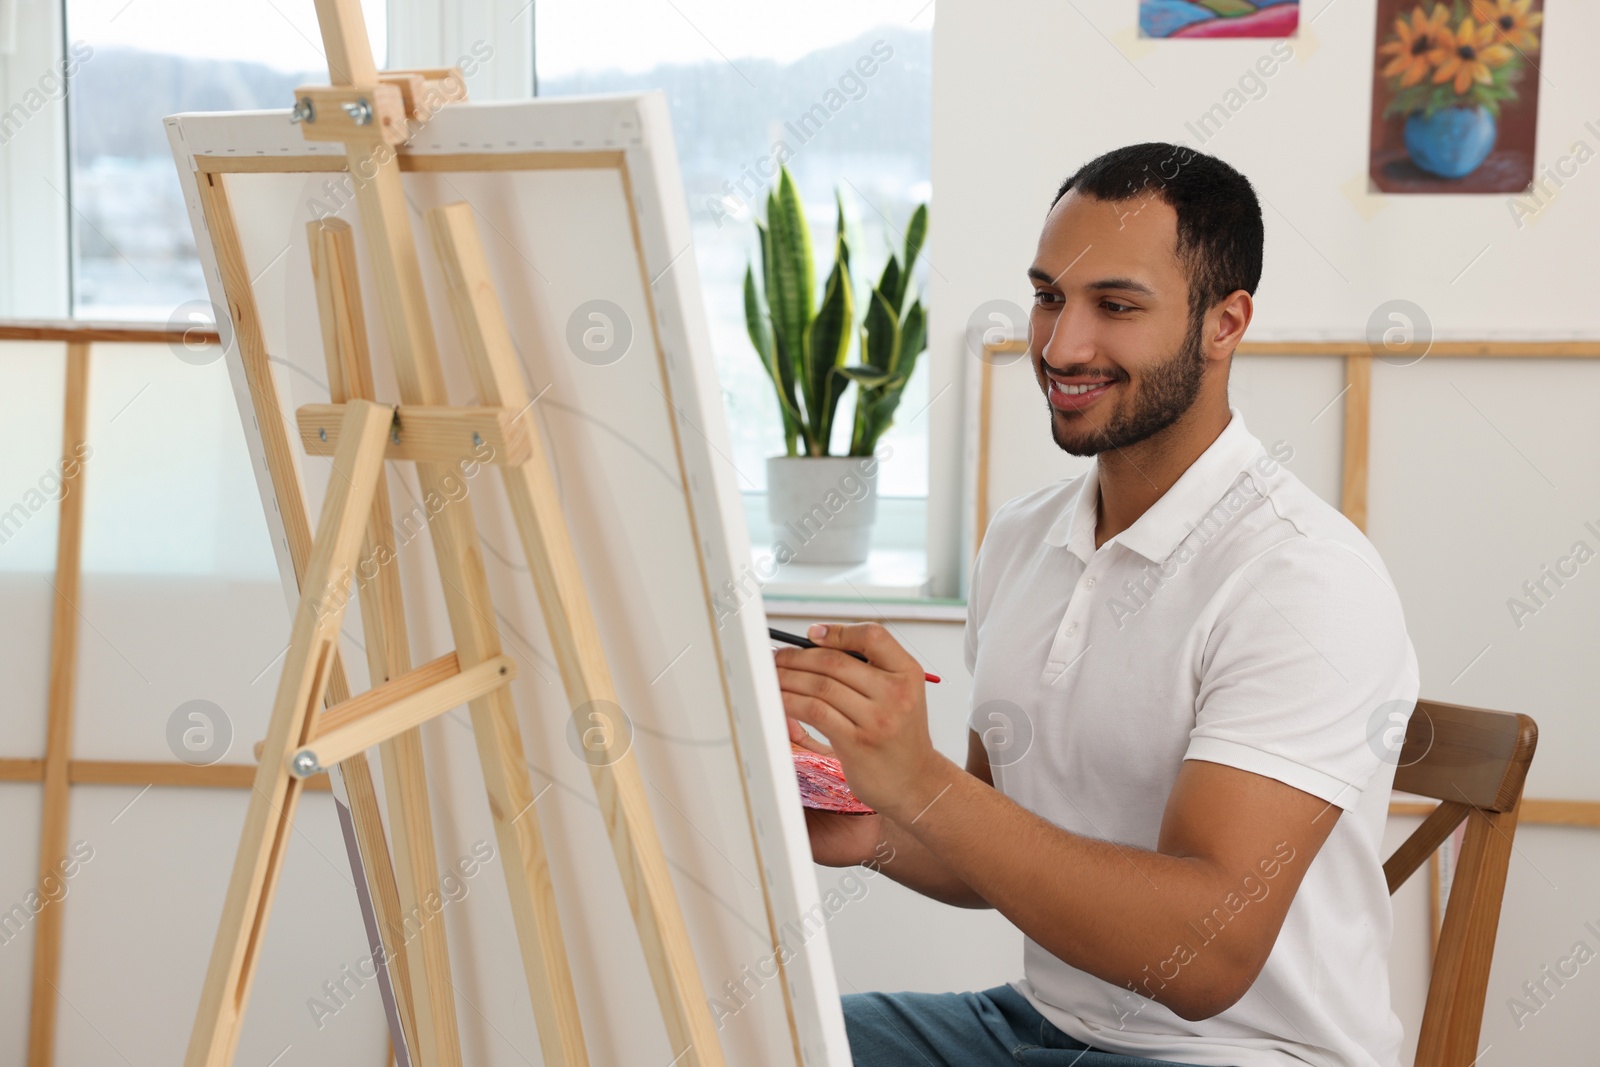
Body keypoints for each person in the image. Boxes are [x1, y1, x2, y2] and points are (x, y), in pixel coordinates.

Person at [775, 142, 1418, 1067]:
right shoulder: (1024, 540)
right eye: (1048, 296)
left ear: (1223, 322)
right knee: (746, 1037)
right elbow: (991, 841)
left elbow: (1203, 959)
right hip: (1045, 1027)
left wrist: (921, 783)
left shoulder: (1303, 578)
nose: (1061, 345)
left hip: (1242, 1055)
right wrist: (869, 821)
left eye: (1114, 306)